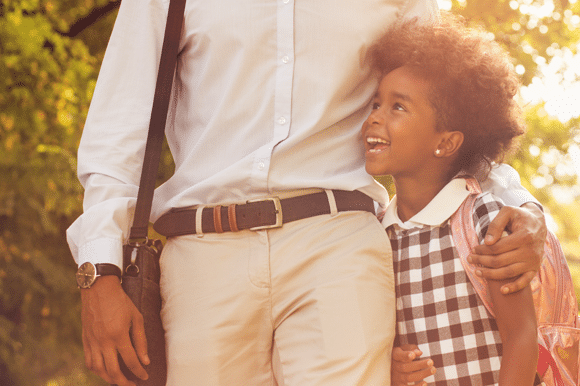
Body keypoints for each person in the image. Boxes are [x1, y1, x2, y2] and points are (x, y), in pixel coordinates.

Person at [67, 1, 546, 385]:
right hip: (202, 252)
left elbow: (449, 105)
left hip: (337, 242)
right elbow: (118, 129)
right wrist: (98, 271)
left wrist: (521, 204)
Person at [362, 14, 543, 385]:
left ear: (446, 142)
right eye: (375, 104)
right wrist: (391, 367)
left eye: (398, 107)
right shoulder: (377, 231)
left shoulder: (484, 219)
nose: (374, 118)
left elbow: (522, 337)